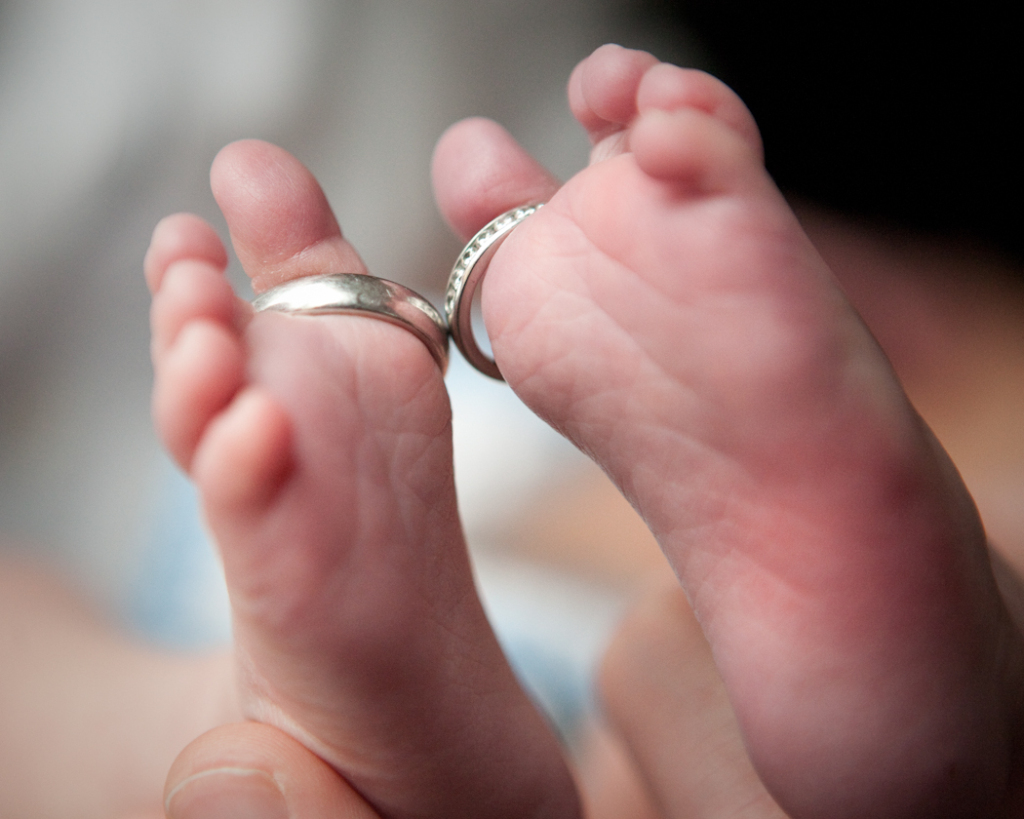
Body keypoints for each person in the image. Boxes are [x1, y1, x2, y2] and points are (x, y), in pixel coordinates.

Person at [148, 44, 1024, 818]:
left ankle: (270, 715)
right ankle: (963, 668)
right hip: (563, 550)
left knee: (63, 668)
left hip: (233, 542)